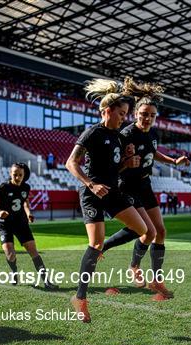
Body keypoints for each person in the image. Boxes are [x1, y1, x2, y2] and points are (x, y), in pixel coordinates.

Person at [65, 77, 148, 323]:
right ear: (107, 111)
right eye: (121, 113)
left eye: (126, 114)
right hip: (92, 193)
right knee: (95, 242)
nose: (124, 118)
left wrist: (127, 163)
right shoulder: (92, 132)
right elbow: (71, 163)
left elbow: (116, 169)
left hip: (112, 192)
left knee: (141, 229)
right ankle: (80, 298)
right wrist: (91, 184)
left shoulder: (119, 138)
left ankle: (102, 250)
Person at [101, 87, 190, 298]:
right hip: (127, 186)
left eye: (152, 115)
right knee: (147, 232)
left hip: (145, 185)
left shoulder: (152, 133)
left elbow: (153, 152)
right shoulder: (125, 134)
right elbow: (112, 164)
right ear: (135, 114)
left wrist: (173, 161)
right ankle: (132, 266)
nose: (148, 118)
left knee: (160, 231)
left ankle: (156, 280)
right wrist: (126, 161)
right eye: (143, 114)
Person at [0, 163, 58, 290]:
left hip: (21, 223)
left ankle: (47, 281)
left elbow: (25, 201)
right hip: (5, 224)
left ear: (24, 175)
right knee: (10, 254)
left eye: (20, 175)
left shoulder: (26, 187)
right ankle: (14, 272)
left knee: (33, 252)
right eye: (15, 174)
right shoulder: (3, 187)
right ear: (10, 173)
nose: (17, 177)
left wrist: (29, 212)